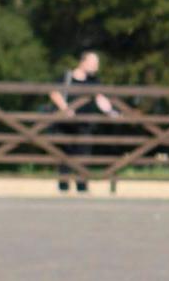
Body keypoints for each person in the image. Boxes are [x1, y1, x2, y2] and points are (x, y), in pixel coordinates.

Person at [49, 52, 118, 193]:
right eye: (94, 63)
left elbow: (100, 98)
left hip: (84, 125)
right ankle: (63, 187)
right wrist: (66, 109)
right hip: (65, 124)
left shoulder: (94, 81)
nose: (96, 67)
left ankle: (82, 187)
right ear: (83, 62)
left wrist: (111, 112)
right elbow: (54, 92)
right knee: (64, 156)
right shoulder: (66, 77)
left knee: (83, 156)